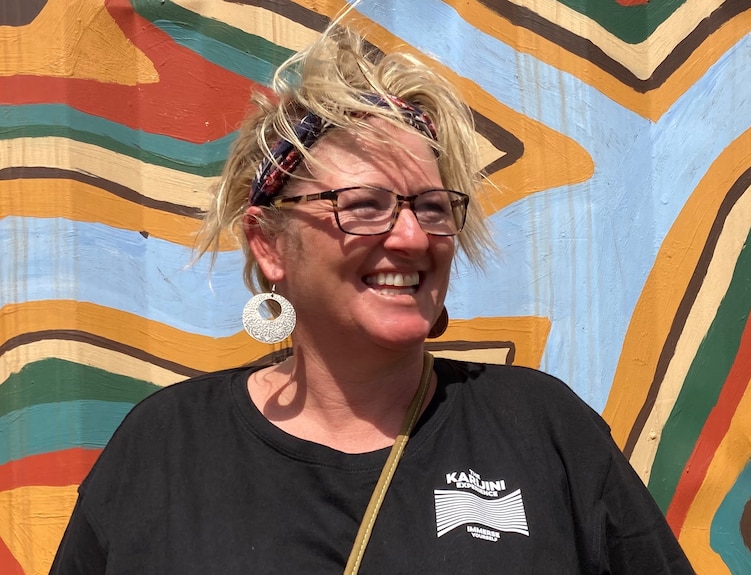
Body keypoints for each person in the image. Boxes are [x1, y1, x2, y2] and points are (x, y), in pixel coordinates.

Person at [50, 19, 694, 575]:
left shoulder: (541, 431)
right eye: (363, 206)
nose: (412, 236)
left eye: (433, 207)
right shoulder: (165, 451)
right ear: (269, 245)